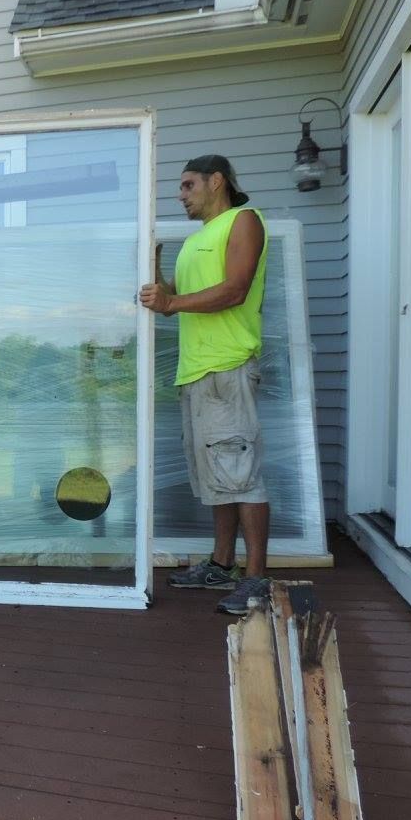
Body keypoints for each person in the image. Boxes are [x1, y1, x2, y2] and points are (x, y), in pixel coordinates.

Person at [139, 155, 270, 615]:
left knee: (242, 476)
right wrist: (155, 271)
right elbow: (173, 298)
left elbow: (235, 289)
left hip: (228, 367)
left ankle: (257, 580)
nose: (181, 195)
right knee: (220, 475)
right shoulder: (196, 241)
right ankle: (221, 565)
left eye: (188, 185)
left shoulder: (243, 221)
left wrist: (171, 303)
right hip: (197, 372)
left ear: (217, 181)